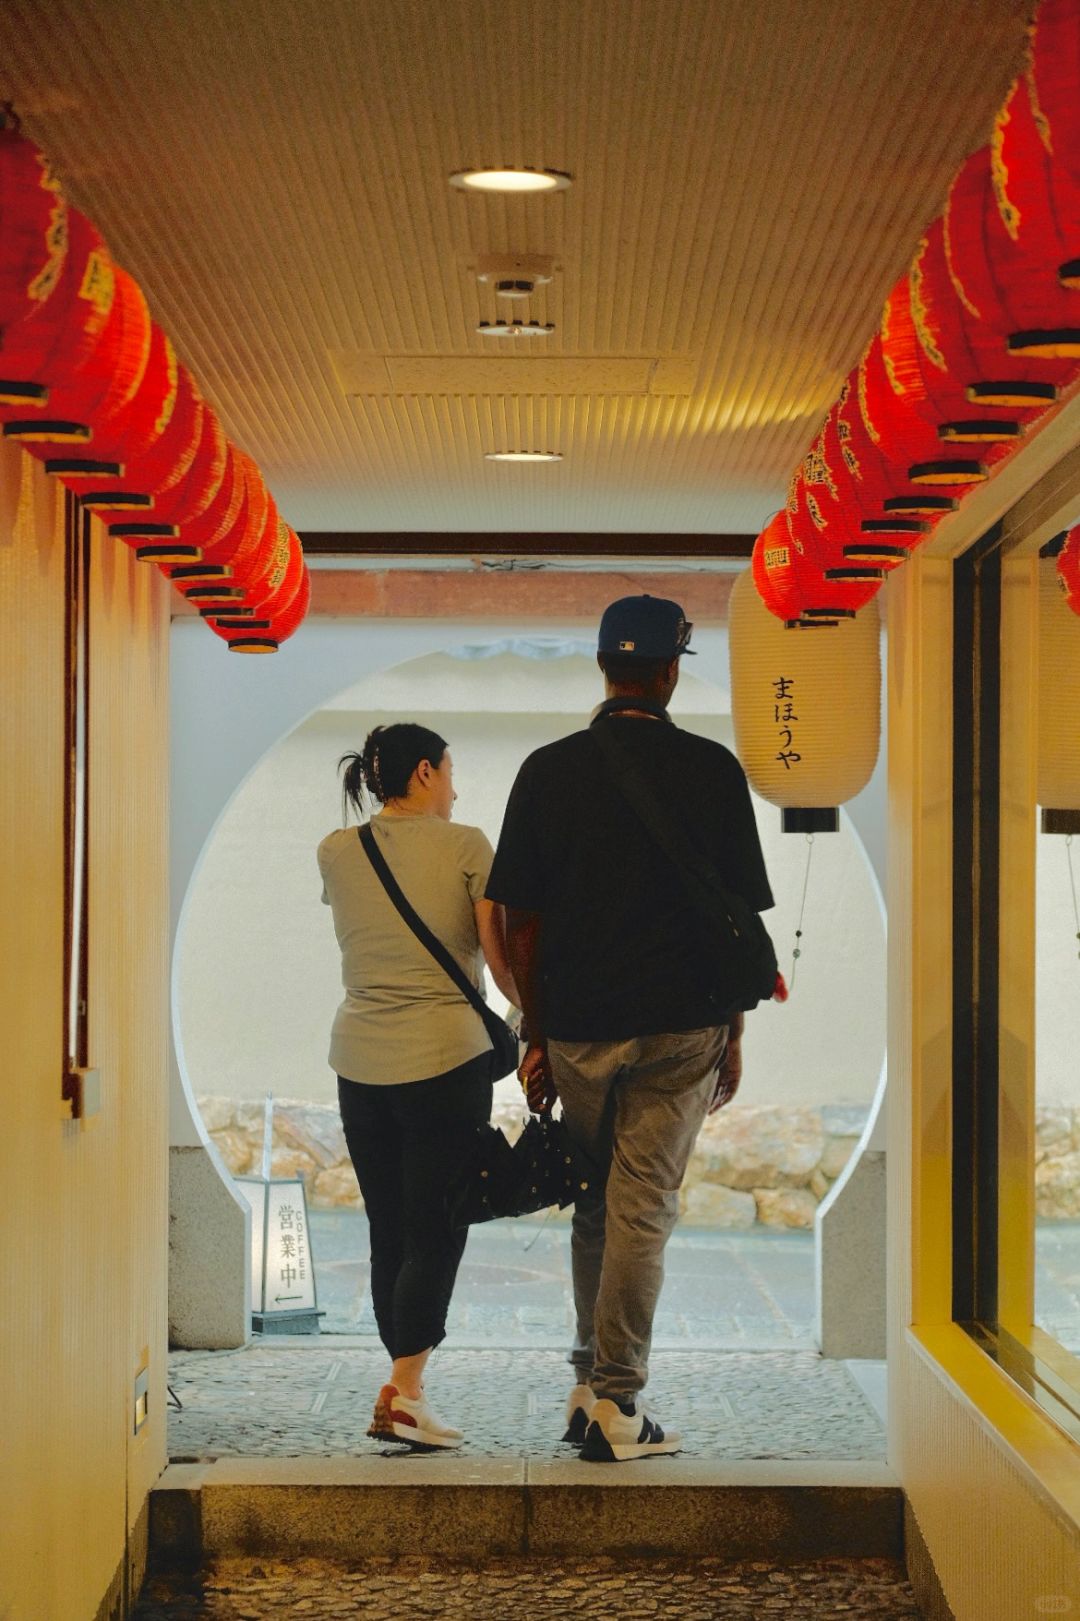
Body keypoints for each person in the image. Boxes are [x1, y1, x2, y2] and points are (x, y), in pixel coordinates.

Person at [486, 595, 774, 1463]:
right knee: (642, 1203)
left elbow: (517, 918)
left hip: (577, 1027)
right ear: (672, 670)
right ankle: (617, 1401)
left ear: (606, 667)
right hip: (685, 1026)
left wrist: (534, 1031)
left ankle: (586, 1382)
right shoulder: (714, 771)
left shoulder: (546, 770)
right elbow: (737, 915)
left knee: (592, 1190)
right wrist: (734, 1032)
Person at [318, 722, 518, 1450]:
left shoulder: (337, 851)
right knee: (438, 1226)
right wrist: (539, 1029)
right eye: (451, 773)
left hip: (359, 1064)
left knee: (389, 1228)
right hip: (443, 1060)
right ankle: (404, 1392)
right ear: (427, 771)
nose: (456, 789)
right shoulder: (466, 844)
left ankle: (403, 1387)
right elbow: (499, 966)